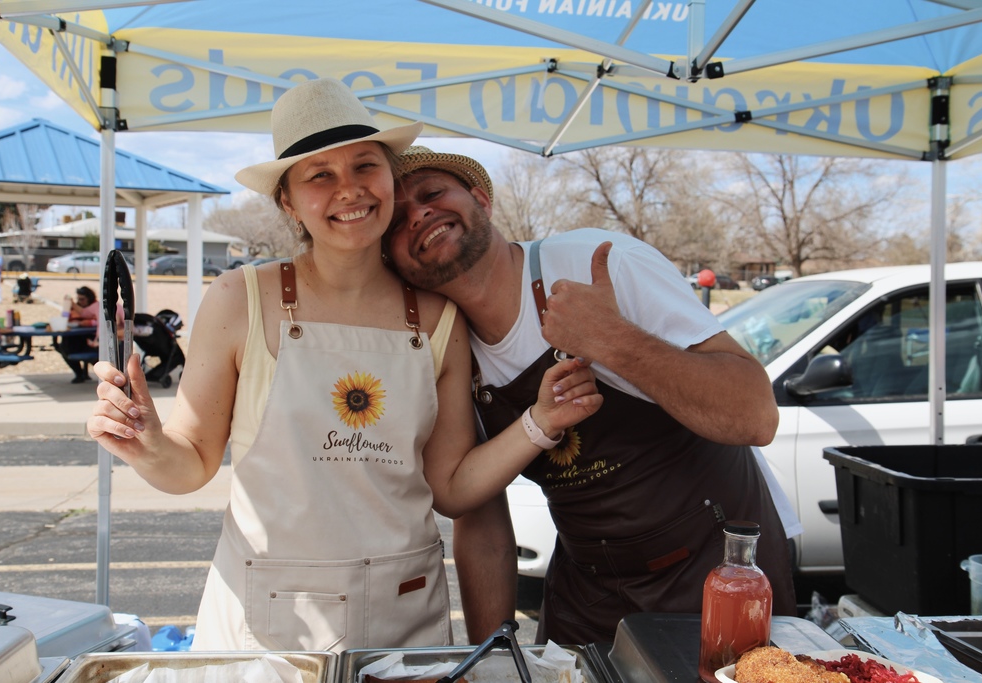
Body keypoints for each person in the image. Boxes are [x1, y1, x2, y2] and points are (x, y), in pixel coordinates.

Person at [86, 78, 602, 653]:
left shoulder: (438, 319)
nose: (349, 190)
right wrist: (149, 443)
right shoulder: (241, 299)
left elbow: (453, 489)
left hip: (402, 618)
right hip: (264, 629)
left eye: (365, 166)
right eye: (319, 175)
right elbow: (191, 465)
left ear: (390, 176)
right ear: (287, 200)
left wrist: (538, 421)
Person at [386, 145, 799, 645]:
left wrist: (613, 340)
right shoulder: (447, 345)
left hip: (716, 575)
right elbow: (478, 519)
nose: (419, 214)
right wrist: (492, 655)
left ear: (481, 199)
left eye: (432, 194)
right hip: (588, 590)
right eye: (396, 219)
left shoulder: (595, 263)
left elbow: (755, 416)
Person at [61, 286, 102, 383]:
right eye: (78, 299)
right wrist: (67, 307)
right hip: (75, 337)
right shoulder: (76, 308)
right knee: (63, 346)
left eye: (82, 299)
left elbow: (97, 319)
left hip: (91, 337)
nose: (80, 301)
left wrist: (85, 322)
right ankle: (79, 373)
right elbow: (65, 317)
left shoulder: (95, 307)